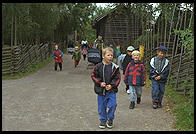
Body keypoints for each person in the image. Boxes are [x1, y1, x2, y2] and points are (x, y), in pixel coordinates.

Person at [91, 47, 121, 129]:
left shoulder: (115, 67)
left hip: (111, 91)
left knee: (113, 105)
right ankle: (103, 120)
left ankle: (110, 118)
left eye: (112, 55)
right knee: (101, 107)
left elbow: (118, 78)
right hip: (101, 91)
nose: (110, 57)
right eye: (108, 55)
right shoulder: (98, 66)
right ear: (103, 56)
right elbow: (93, 75)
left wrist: (112, 85)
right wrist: (100, 83)